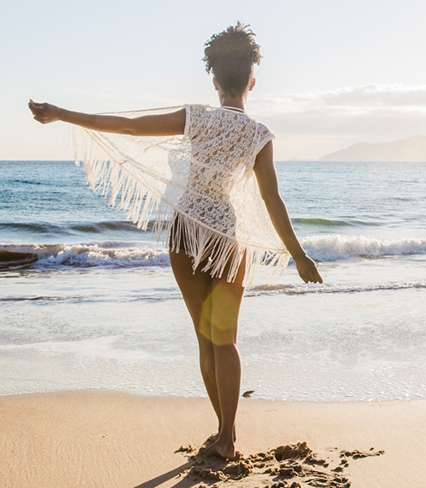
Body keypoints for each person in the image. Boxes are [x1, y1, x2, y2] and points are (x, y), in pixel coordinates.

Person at [28, 22, 322, 460]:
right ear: (251, 83)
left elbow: (126, 128)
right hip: (226, 238)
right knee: (225, 339)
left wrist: (61, 114)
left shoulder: (196, 117)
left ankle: (223, 431)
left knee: (205, 339)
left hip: (186, 233)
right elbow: (272, 200)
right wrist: (299, 256)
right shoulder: (259, 135)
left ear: (216, 81)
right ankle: (227, 435)